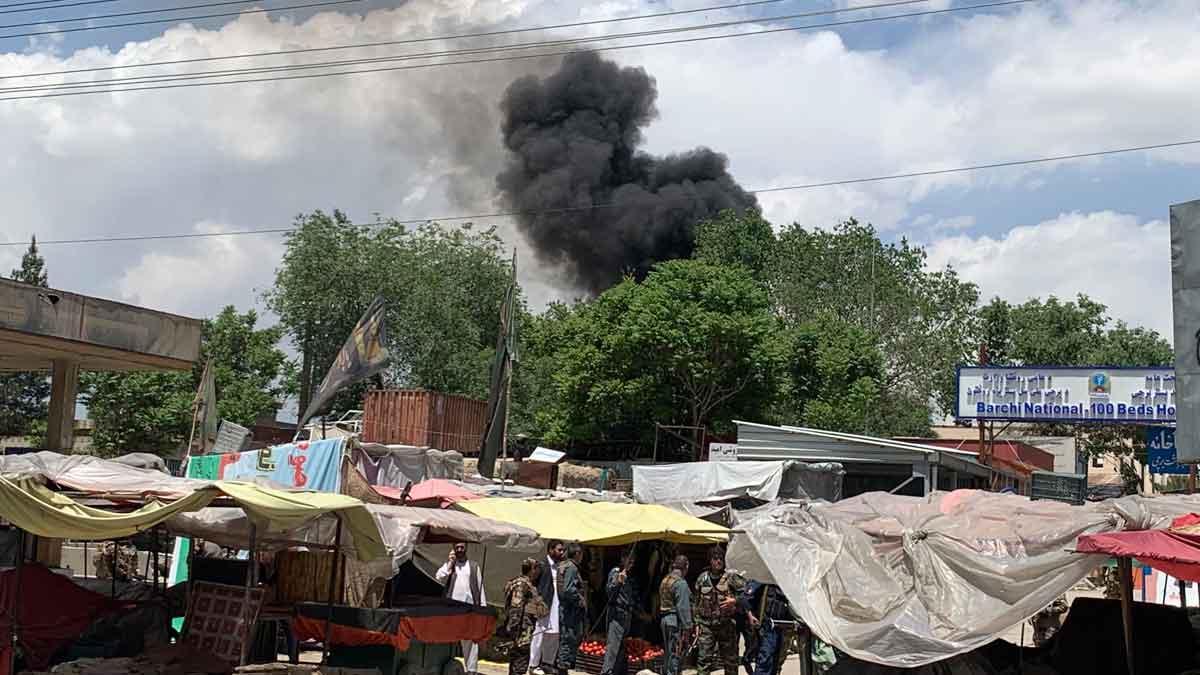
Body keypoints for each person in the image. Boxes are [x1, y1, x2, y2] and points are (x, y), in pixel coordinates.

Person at [694, 547, 747, 675]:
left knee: (730, 661)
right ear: (710, 561)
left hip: (727, 626)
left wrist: (734, 601)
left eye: (721, 559)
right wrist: (696, 623)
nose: (718, 561)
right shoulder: (702, 578)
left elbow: (747, 594)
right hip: (707, 627)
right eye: (715, 559)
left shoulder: (731, 577)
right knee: (703, 661)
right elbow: (695, 602)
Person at [436, 543, 487, 675]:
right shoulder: (450, 566)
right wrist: (450, 563)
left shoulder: (474, 566)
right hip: (452, 609)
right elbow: (439, 576)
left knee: (470, 640)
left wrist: (482, 608)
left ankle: (471, 670)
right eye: (457, 547)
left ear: (466, 548)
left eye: (462, 547)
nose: (459, 550)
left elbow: (480, 588)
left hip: (469, 609)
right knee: (448, 637)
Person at [503, 558, 550, 675]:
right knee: (520, 661)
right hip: (521, 630)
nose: (538, 572)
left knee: (517, 661)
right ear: (532, 570)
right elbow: (516, 608)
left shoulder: (522, 582)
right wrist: (515, 632)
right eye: (537, 569)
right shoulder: (521, 584)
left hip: (523, 628)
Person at [601, 547, 639, 675]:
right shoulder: (616, 572)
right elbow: (609, 591)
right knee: (613, 647)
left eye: (633, 560)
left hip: (625, 615)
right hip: (616, 614)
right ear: (623, 559)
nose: (632, 562)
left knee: (621, 647)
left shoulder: (629, 575)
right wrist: (618, 581)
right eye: (630, 559)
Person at [531, 540, 566, 675]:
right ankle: (533, 665)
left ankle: (547, 663)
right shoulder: (541, 565)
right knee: (539, 635)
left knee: (554, 635)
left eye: (563, 550)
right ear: (550, 550)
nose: (562, 552)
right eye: (559, 550)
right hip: (544, 606)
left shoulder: (561, 567)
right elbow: (532, 584)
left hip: (557, 606)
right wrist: (538, 601)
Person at [741, 582, 792, 675]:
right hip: (767, 627)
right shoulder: (763, 579)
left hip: (784, 627)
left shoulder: (788, 581)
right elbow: (745, 598)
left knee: (776, 662)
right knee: (765, 661)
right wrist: (750, 616)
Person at [659, 555, 693, 675]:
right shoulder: (681, 583)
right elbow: (683, 608)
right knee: (675, 654)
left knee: (668, 652)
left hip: (664, 619)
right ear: (686, 566)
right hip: (675, 621)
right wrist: (688, 627)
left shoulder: (665, 580)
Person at [556, 543, 586, 672]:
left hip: (566, 608)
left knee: (567, 638)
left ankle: (563, 667)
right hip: (570, 610)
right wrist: (580, 599)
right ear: (578, 554)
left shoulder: (564, 565)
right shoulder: (572, 568)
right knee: (568, 639)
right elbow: (568, 589)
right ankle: (562, 668)